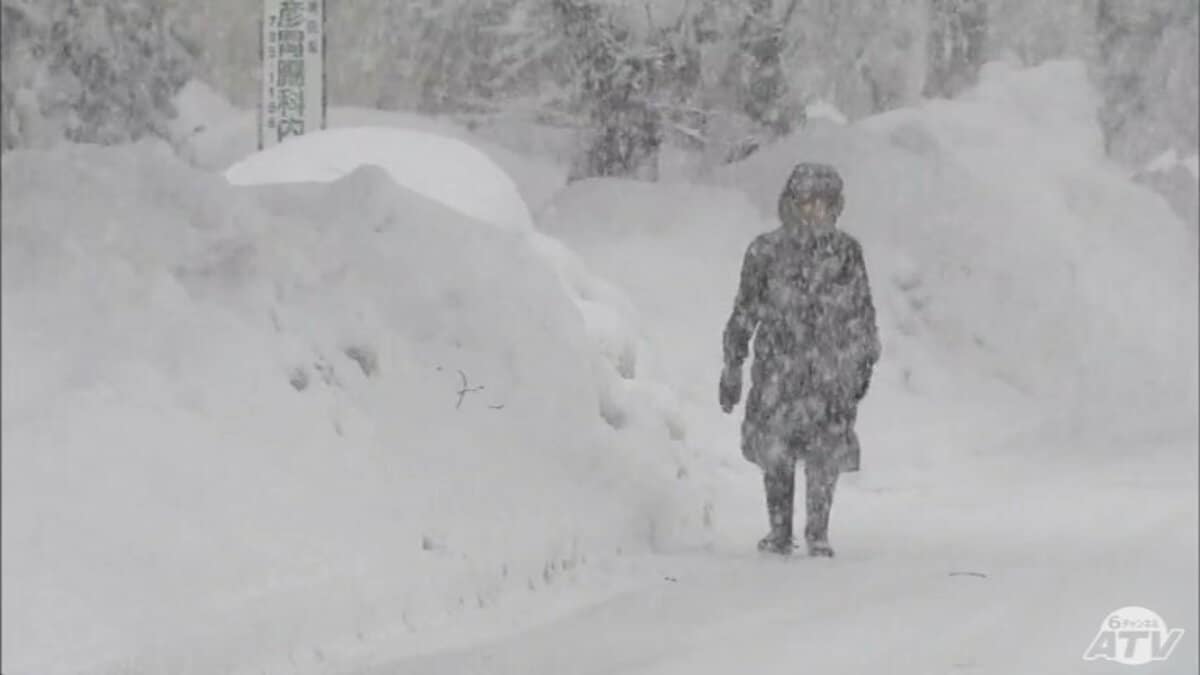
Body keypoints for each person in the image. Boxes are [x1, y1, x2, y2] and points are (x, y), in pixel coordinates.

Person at [719, 163, 880, 556]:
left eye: (823, 203)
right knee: (776, 451)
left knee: (825, 454)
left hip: (831, 372)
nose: (814, 212)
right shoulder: (765, 252)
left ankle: (818, 531)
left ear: (836, 207)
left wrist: (863, 361)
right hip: (778, 367)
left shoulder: (846, 254)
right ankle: (779, 531)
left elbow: (862, 311)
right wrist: (732, 364)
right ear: (790, 204)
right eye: (806, 202)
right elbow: (744, 311)